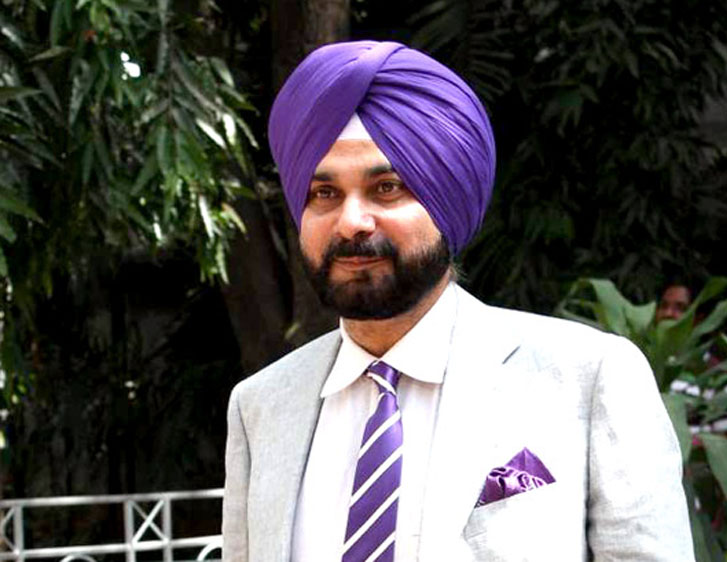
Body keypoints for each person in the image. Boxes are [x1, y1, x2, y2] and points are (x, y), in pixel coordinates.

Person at [222, 40, 694, 561]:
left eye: (387, 187)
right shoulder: (260, 406)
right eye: (324, 193)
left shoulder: (588, 376)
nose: (352, 221)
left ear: (446, 199)